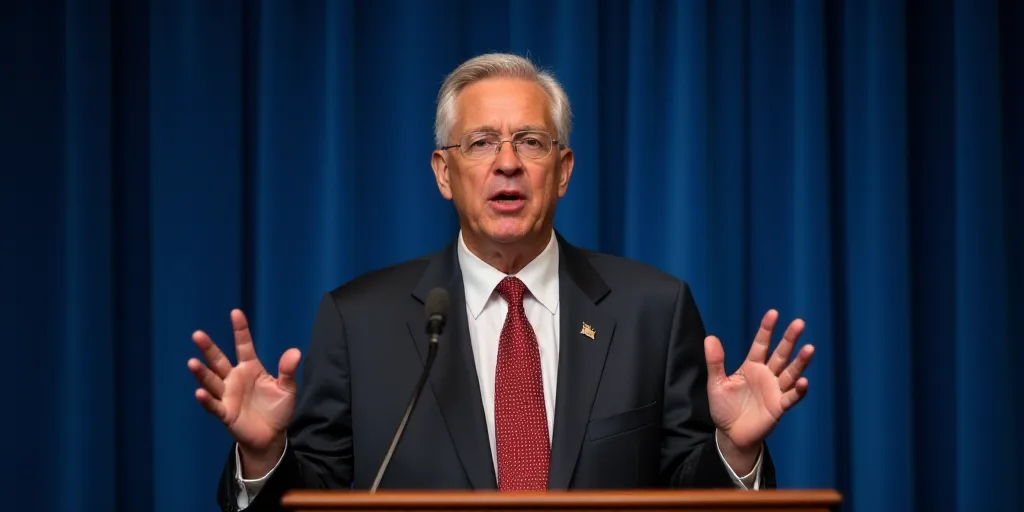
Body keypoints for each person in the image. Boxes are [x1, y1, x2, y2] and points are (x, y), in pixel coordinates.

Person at [187, 53, 815, 512]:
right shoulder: (358, 321)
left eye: (531, 142)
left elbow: (689, 496)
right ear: (443, 172)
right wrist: (267, 461)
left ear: (563, 170)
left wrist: (733, 453)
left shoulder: (654, 308)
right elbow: (316, 500)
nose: (507, 162)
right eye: (481, 142)